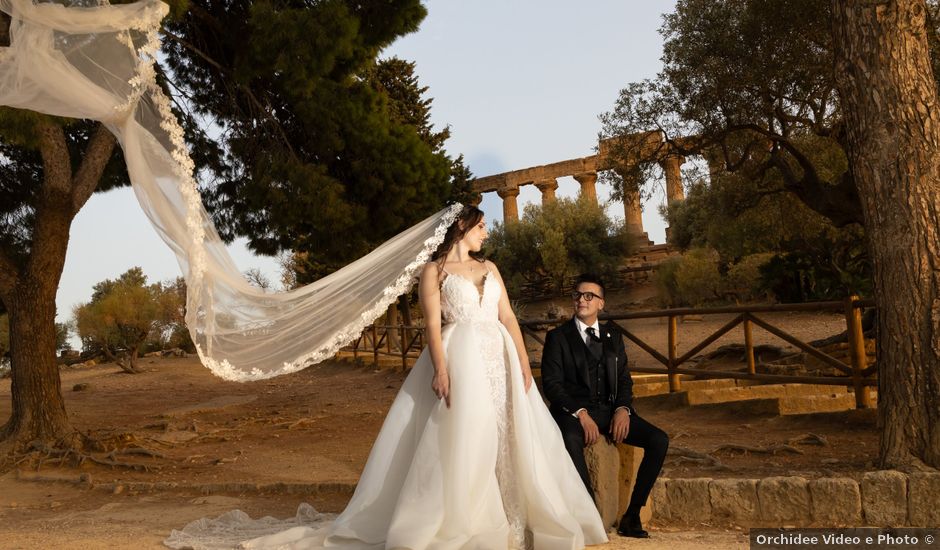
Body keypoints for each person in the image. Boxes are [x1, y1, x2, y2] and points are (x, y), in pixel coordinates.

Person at [166, 206, 607, 550]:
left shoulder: (491, 269)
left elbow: (508, 316)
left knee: (511, 434)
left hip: (501, 358)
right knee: (468, 437)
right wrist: (441, 368)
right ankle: (469, 519)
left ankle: (524, 516)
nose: (486, 233)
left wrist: (524, 363)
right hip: (462, 359)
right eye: (481, 226)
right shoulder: (433, 273)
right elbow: (433, 326)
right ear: (462, 228)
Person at [541, 273, 669, 539]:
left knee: (659, 440)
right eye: (577, 295)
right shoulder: (558, 337)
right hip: (573, 412)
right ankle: (589, 516)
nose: (581, 300)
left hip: (610, 411)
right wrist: (580, 413)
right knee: (569, 439)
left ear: (601, 303)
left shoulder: (614, 336)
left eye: (589, 296)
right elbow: (552, 385)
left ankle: (632, 516)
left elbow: (624, 379)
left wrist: (623, 409)